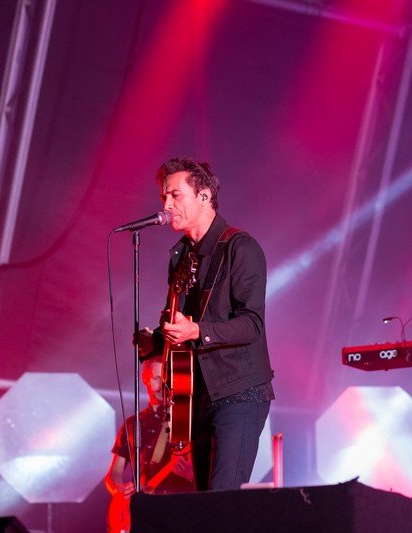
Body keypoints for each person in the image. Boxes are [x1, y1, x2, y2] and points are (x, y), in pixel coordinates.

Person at [137, 157, 274, 491]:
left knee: (223, 500)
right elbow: (180, 322)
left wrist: (197, 331)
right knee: (203, 502)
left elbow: (251, 324)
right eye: (164, 197)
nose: (166, 205)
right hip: (196, 395)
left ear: (204, 196)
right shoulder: (181, 256)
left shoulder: (240, 248)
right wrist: (156, 341)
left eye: (175, 195)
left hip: (239, 392)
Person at [104, 357, 194, 533]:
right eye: (156, 378)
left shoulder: (184, 421)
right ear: (145, 378)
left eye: (165, 379)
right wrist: (118, 490)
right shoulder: (132, 424)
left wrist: (191, 475)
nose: (161, 386)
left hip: (176, 511)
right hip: (142, 513)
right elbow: (114, 473)